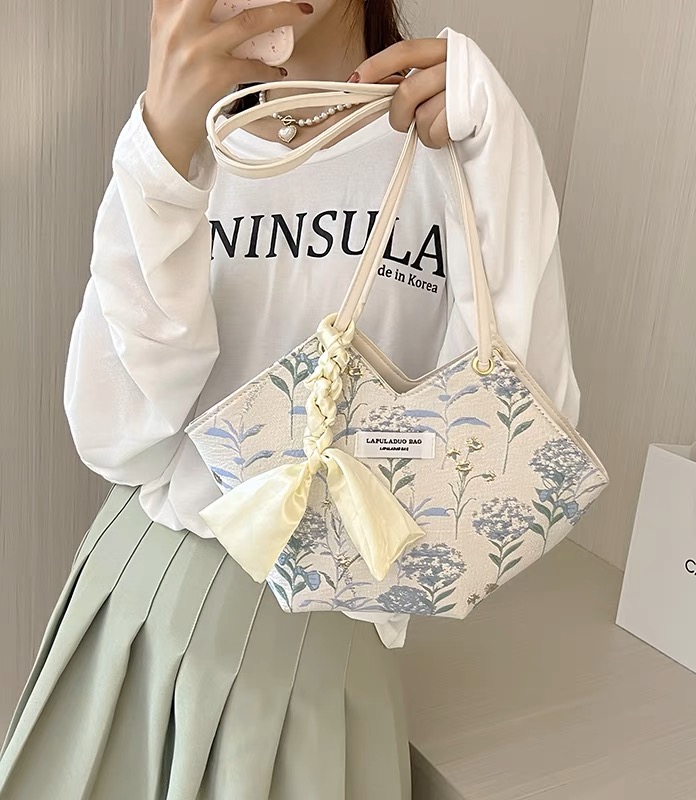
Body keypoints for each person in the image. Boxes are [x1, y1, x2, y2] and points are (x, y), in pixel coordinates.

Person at [0, 0, 580, 797]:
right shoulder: (195, 138)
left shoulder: (456, 138)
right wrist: (159, 161)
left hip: (330, 644)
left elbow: (518, 453)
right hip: (144, 595)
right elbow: (115, 434)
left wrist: (499, 160)